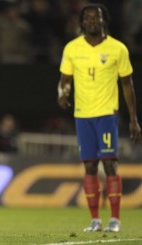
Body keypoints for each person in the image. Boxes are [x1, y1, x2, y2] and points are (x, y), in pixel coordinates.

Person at [57, 4, 141, 233]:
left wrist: (133, 119)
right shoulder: (72, 48)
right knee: (90, 166)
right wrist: (62, 94)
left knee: (110, 164)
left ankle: (115, 219)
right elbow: (65, 79)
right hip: (82, 115)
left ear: (105, 20)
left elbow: (127, 85)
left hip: (106, 114)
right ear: (82, 22)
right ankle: (95, 220)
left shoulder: (118, 49)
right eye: (89, 17)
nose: (93, 20)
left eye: (97, 16)